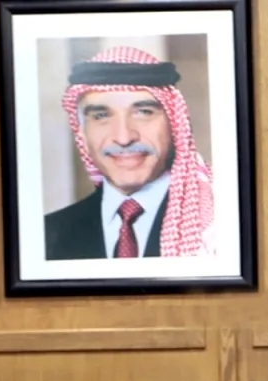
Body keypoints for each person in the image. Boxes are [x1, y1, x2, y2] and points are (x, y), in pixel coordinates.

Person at [45, 46, 215, 261]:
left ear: (175, 125)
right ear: (82, 135)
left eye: (143, 112)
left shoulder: (218, 226)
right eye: (101, 116)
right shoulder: (47, 235)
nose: (124, 138)